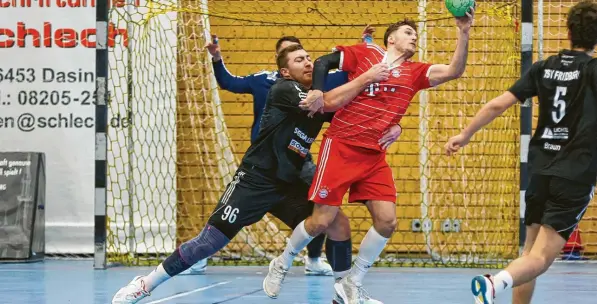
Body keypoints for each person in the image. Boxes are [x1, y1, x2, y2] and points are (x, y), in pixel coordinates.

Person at [111, 44, 392, 304]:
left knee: (337, 224)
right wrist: (365, 77)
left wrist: (392, 127)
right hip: (256, 180)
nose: (307, 63)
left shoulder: (321, 95)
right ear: (285, 71)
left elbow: (353, 115)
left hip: (289, 182)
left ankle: (345, 293)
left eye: (309, 59)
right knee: (210, 241)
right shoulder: (285, 89)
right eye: (299, 60)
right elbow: (326, 103)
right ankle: (145, 284)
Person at [263, 10, 475, 304]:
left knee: (387, 222)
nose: (414, 37)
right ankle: (283, 262)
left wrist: (463, 32)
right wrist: (317, 91)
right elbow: (324, 62)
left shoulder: (415, 72)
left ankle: (353, 282)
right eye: (407, 32)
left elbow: (454, 70)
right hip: (341, 146)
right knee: (321, 221)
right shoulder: (366, 54)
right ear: (391, 38)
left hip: (374, 155)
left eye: (415, 34)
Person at [184, 26, 375, 276]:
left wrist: (366, 45)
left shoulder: (315, 83)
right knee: (233, 212)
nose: (304, 61)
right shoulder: (264, 81)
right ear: (282, 64)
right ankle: (201, 252)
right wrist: (217, 58)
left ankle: (314, 259)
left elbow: (350, 77)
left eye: (304, 56)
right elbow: (228, 82)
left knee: (319, 209)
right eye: (290, 54)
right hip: (262, 162)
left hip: (297, 159)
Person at [443, 2, 597, 304]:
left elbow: (496, 105)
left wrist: (465, 133)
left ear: (567, 32)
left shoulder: (543, 67)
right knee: (540, 258)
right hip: (575, 174)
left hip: (540, 171)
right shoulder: (593, 71)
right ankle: (493, 283)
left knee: (527, 253)